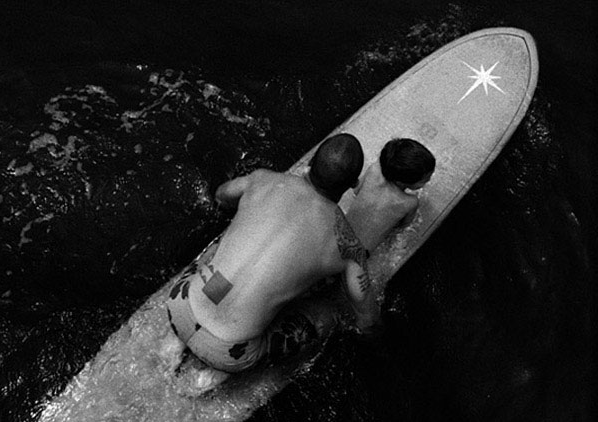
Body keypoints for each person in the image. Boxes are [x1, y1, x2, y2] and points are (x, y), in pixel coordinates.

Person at [165, 133, 373, 389]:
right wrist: (374, 332)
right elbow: (365, 314)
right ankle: (211, 377)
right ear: (353, 184)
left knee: (222, 258)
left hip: (180, 304)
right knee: (328, 313)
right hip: (229, 352)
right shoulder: (347, 244)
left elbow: (221, 195)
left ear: (309, 163)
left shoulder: (263, 180)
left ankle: (176, 341)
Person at [345, 138, 436, 252]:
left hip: (337, 236)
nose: (429, 180)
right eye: (425, 179)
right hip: (360, 254)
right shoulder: (410, 202)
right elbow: (402, 227)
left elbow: (357, 191)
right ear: (403, 181)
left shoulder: (374, 171)